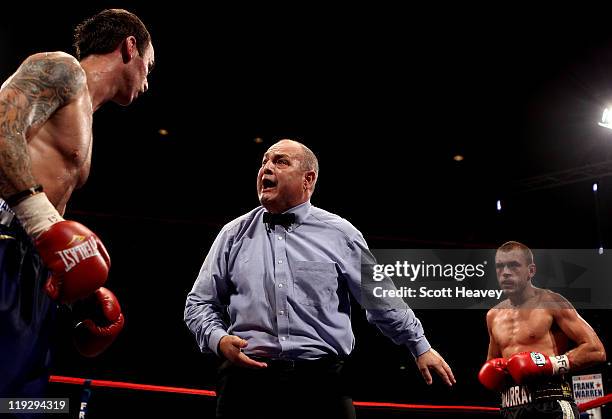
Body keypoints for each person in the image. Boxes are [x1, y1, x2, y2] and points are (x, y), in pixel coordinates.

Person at [184, 139, 455, 419]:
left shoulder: (341, 234)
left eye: (280, 161)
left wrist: (420, 346)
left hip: (322, 384)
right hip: (247, 383)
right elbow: (198, 303)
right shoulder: (233, 234)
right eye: (264, 161)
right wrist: (218, 340)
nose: (266, 167)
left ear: (308, 179)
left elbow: (382, 300)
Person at [0, 8, 155, 403]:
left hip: (29, 260)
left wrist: (76, 290)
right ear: (129, 47)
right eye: (148, 68)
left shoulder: (86, 116)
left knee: (22, 400)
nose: (147, 81)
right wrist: (43, 225)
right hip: (6, 239)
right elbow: (1, 128)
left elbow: (52, 218)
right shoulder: (60, 68)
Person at [478, 241, 607, 418]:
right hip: (511, 408)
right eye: (500, 266)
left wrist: (550, 365)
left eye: (513, 265)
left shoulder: (552, 302)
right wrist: (492, 374)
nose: (505, 272)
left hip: (551, 404)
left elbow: (596, 350)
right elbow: (493, 362)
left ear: (531, 271)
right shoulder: (493, 315)